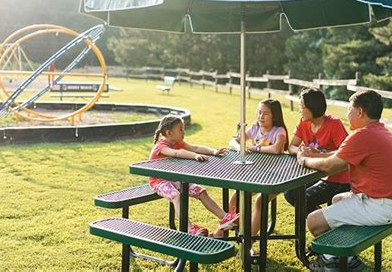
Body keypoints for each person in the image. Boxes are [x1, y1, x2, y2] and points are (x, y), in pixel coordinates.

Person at [297, 90, 392, 270]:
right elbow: (344, 153)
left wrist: (304, 160)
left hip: (378, 207)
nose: (347, 114)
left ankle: (331, 261)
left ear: (360, 112)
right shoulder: (377, 131)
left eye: (349, 109)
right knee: (336, 199)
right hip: (390, 204)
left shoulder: (362, 135)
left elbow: (330, 167)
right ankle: (345, 258)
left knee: (313, 221)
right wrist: (316, 153)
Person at [149, 115, 239, 236]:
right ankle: (189, 228)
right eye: (180, 129)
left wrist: (213, 151)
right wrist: (194, 156)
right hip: (159, 181)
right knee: (176, 196)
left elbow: (196, 148)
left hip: (175, 179)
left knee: (201, 192)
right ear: (169, 132)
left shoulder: (177, 142)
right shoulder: (161, 146)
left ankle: (225, 218)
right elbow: (176, 153)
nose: (183, 132)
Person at [216, 98, 288, 237]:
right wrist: (239, 147)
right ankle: (236, 227)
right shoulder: (255, 128)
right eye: (259, 112)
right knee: (235, 198)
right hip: (256, 176)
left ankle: (249, 240)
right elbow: (234, 141)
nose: (261, 116)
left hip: (275, 179)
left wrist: (255, 148)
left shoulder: (279, 131)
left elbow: (277, 149)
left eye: (266, 113)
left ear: (275, 115)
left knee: (260, 201)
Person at [284, 88, 350, 216]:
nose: (299, 110)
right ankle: (323, 219)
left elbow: (345, 152)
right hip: (315, 174)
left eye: (302, 107)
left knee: (303, 198)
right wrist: (302, 151)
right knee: (291, 193)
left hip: (338, 179)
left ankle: (323, 222)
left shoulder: (334, 124)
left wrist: (317, 154)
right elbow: (292, 146)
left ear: (312, 107)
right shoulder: (303, 123)